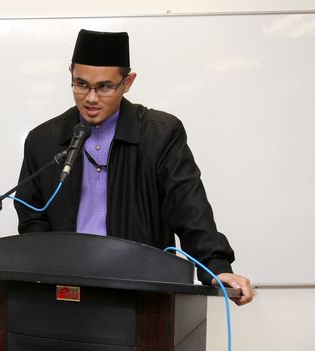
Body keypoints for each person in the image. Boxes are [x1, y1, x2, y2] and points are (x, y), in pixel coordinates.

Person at [13, 29, 253, 305]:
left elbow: (188, 205)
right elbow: (32, 218)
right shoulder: (44, 140)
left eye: (104, 87)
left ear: (127, 82)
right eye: (81, 84)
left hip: (140, 291)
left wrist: (216, 266)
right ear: (70, 74)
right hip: (66, 291)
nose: (91, 98)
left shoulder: (160, 134)